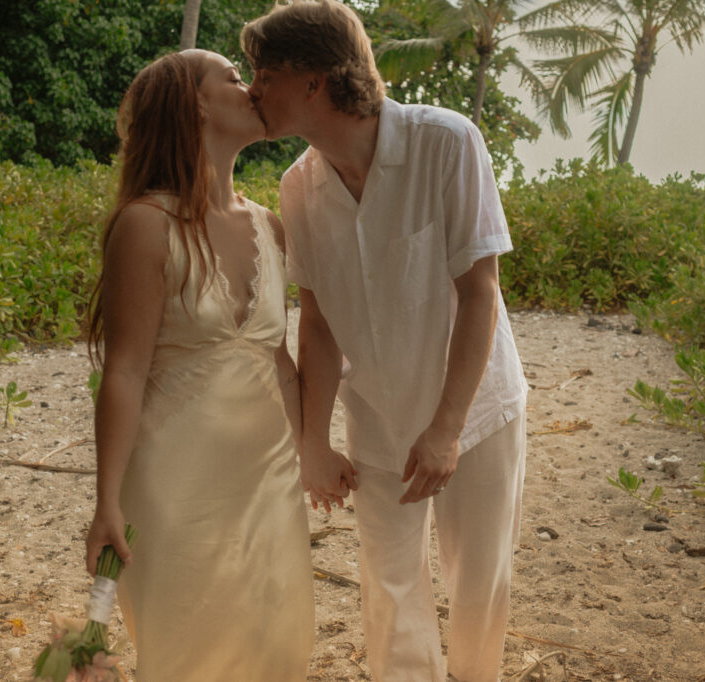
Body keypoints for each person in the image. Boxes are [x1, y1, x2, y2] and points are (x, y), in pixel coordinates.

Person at [241, 2, 529, 681]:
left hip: (478, 413)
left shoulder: (447, 141)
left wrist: (447, 428)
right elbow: (317, 321)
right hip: (375, 418)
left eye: (264, 73)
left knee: (477, 584)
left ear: (314, 80)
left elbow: (480, 291)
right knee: (390, 591)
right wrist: (312, 441)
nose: (252, 90)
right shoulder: (297, 188)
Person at [84, 49, 313, 681]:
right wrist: (106, 503)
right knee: (187, 655)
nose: (253, 89)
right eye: (235, 80)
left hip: (268, 482)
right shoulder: (145, 224)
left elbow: (280, 363)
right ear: (197, 103)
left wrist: (311, 452)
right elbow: (124, 372)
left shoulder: (271, 225)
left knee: (277, 646)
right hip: (172, 487)